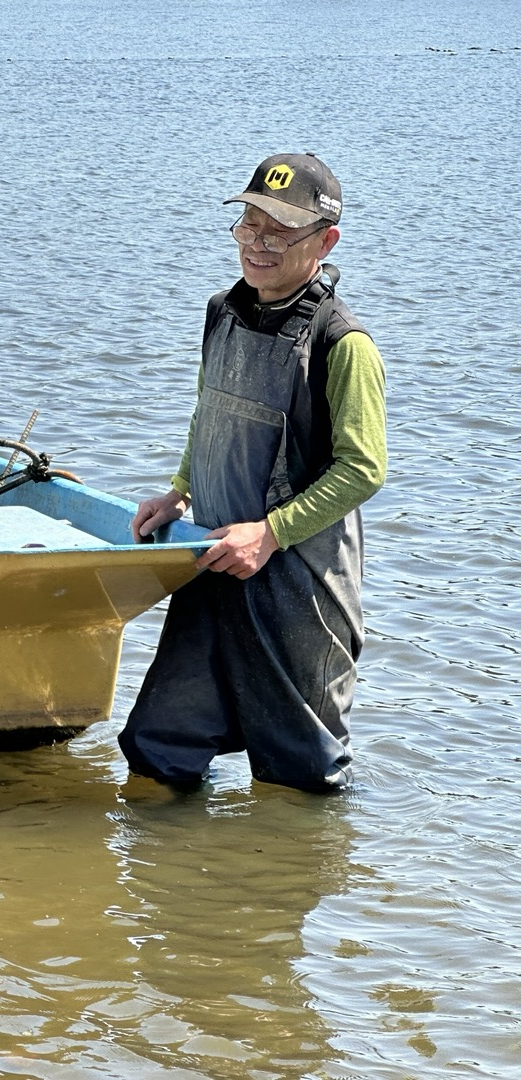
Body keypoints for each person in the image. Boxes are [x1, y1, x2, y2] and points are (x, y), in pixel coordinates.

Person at [120, 153, 387, 793]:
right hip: (213, 561)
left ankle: (291, 884)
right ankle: (168, 887)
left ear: (325, 242)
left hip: (299, 585)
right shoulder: (222, 311)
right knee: (158, 752)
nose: (258, 245)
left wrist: (268, 533)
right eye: (248, 224)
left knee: (300, 781)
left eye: (278, 232)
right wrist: (180, 490)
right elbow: (209, 411)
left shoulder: (342, 343)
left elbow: (363, 468)